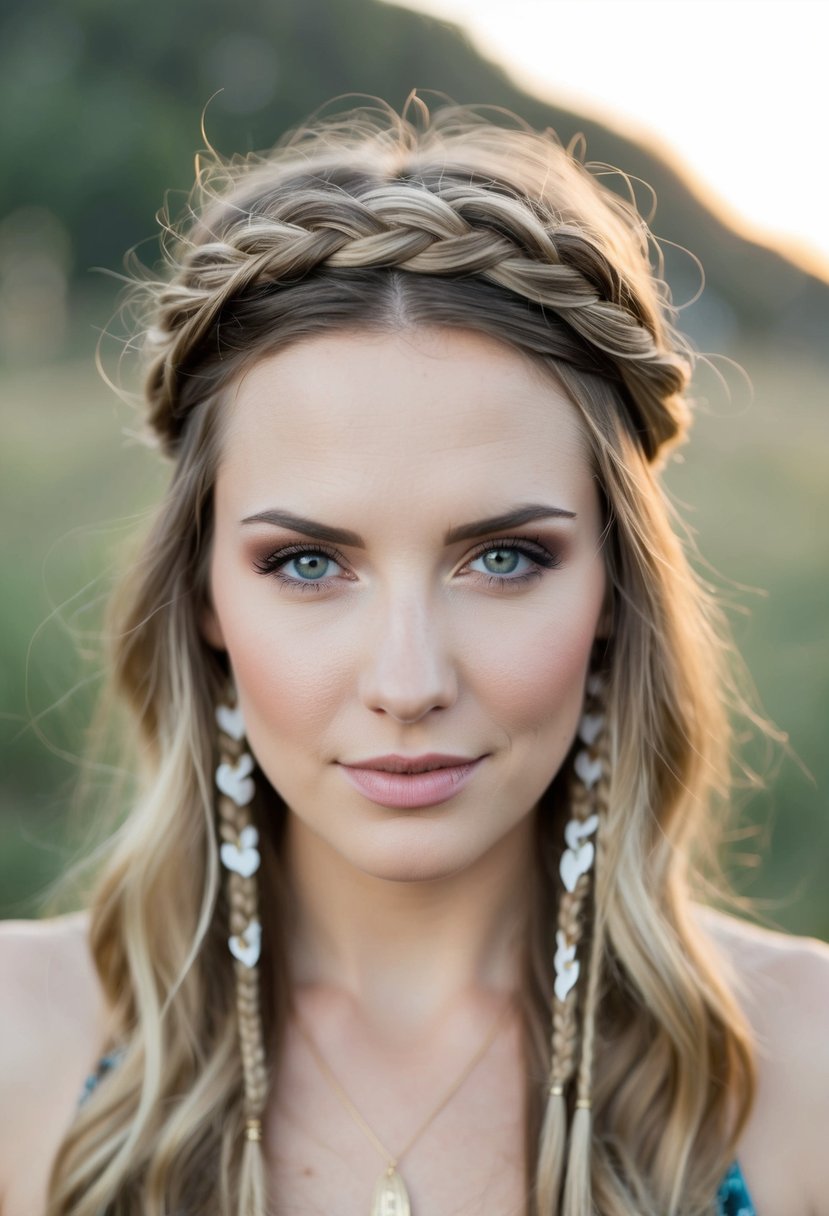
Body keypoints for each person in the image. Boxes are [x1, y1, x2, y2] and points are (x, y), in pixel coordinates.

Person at [0, 95, 827, 1216]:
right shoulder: (24, 1041)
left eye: (501, 559)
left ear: (614, 591)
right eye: (306, 564)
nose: (407, 683)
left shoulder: (799, 1070)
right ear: (201, 593)